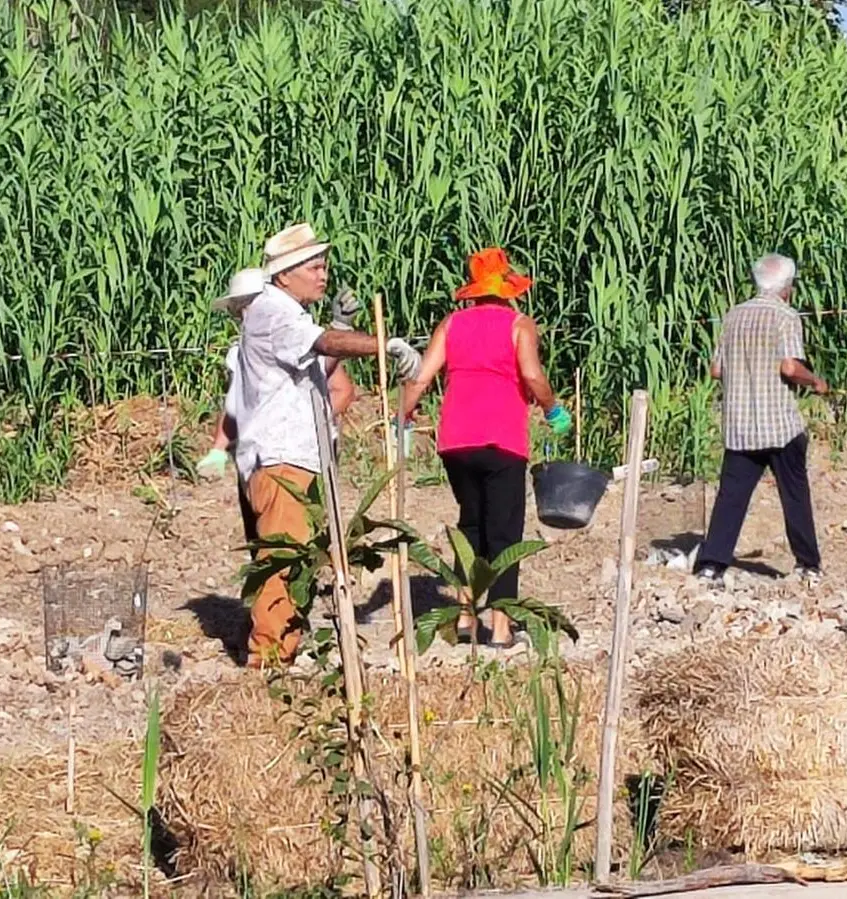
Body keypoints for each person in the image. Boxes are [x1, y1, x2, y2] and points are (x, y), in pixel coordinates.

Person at [237, 222, 421, 667]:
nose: (324, 275)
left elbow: (317, 358)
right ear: (285, 274)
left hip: (296, 456)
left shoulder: (287, 314)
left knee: (296, 559)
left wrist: (342, 327)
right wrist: (385, 345)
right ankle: (269, 657)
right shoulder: (271, 310)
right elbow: (320, 343)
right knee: (284, 560)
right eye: (315, 268)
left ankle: (284, 648)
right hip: (283, 460)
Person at [401, 248, 571, 647]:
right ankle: (500, 625)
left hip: (456, 440)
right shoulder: (519, 324)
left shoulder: (452, 323)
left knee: (471, 526)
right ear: (507, 287)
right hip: (502, 438)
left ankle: (464, 616)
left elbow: (421, 377)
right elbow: (532, 373)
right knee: (504, 533)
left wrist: (405, 417)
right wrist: (552, 409)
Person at [195, 269, 360, 557]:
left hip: (287, 456)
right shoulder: (252, 349)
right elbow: (239, 405)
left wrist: (309, 421)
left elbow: (341, 389)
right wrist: (219, 450)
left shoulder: (288, 339)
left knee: (283, 544)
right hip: (273, 453)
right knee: (277, 539)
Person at [693, 253, 827, 586]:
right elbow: (789, 368)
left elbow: (716, 370)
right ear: (787, 287)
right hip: (779, 424)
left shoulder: (734, 315)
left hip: (740, 423)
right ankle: (808, 564)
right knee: (794, 492)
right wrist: (815, 382)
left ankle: (711, 565)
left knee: (731, 496)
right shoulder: (786, 316)